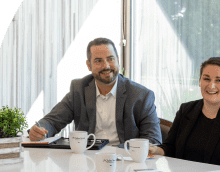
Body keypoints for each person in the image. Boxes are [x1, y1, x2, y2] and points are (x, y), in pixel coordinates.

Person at [28, 37, 161, 146]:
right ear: (89, 65)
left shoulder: (141, 95)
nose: (106, 66)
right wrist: (40, 130)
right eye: (98, 61)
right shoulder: (79, 89)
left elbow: (153, 140)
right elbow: (53, 121)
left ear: (118, 60)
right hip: (86, 161)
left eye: (110, 59)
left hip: (124, 162)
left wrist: (114, 152)